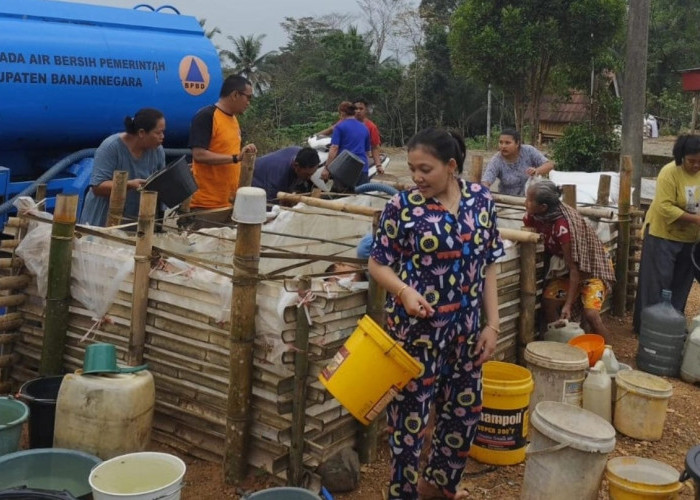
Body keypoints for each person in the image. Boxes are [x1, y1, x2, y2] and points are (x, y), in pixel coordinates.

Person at [368, 127, 504, 499]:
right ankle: (404, 494)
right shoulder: (403, 207)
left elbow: (489, 263)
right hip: (416, 337)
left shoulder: (481, 200)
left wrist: (493, 324)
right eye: (412, 169)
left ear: (451, 165)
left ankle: (438, 488)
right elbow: (378, 265)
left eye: (425, 169)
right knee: (409, 429)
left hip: (467, 335)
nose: (417, 177)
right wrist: (405, 291)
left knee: (464, 416)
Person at [523, 180, 615, 341]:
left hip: (591, 271)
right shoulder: (535, 217)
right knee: (549, 302)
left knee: (591, 314)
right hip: (567, 271)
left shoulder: (563, 228)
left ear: (543, 207)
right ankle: (561, 345)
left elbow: (575, 268)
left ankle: (608, 353)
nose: (525, 203)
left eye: (529, 200)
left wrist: (568, 304)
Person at [633, 134, 700, 334]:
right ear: (681, 157)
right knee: (656, 282)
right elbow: (664, 207)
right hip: (663, 235)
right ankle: (646, 327)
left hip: (689, 238)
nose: (696, 165)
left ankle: (671, 327)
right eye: (691, 161)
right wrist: (696, 219)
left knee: (681, 283)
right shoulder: (669, 172)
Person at [188, 74, 257, 228]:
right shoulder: (207, 116)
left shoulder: (233, 120)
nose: (249, 103)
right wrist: (235, 158)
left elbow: (227, 150)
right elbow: (198, 154)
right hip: (207, 205)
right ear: (235, 95)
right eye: (248, 97)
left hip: (230, 203)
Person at [79, 108, 166, 226]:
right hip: (102, 223)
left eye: (163, 132)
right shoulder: (111, 147)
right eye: (158, 133)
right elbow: (98, 186)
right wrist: (129, 184)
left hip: (132, 224)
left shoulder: (157, 150)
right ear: (141, 133)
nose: (162, 136)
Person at [318, 97, 384, 174]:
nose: (358, 111)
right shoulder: (342, 123)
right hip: (351, 163)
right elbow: (330, 129)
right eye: (356, 109)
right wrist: (315, 136)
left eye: (361, 108)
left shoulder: (371, 127)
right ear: (352, 110)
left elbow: (375, 147)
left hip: (352, 165)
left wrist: (378, 165)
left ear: (366, 110)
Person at [482, 128, 554, 196]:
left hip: (531, 199)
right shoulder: (496, 160)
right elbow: (486, 181)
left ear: (517, 143)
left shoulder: (529, 151)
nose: (503, 146)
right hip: (506, 200)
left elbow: (549, 165)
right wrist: (484, 191)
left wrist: (537, 171)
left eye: (507, 143)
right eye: (501, 142)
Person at [320, 101, 371, 187]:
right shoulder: (365, 128)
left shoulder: (340, 127)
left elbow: (334, 148)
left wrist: (326, 168)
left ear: (342, 113)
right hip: (362, 168)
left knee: (343, 197)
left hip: (345, 169)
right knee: (362, 197)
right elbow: (367, 153)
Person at [251, 146, 320, 204]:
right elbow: (271, 204)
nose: (309, 178)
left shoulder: (301, 153)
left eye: (311, 174)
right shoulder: (277, 179)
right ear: (296, 166)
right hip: (255, 181)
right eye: (307, 174)